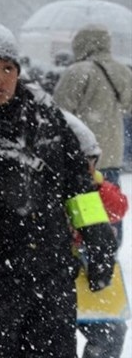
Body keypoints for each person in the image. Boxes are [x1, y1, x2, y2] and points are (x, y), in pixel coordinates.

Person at [0, 22, 118, 358]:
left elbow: (79, 186)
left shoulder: (49, 118)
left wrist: (97, 233)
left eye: (7, 68)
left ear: (19, 71)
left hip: (51, 271)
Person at [53, 24, 132, 245]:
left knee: (84, 216)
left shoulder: (78, 72)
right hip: (113, 155)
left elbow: (59, 113)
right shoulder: (122, 71)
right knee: (111, 209)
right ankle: (111, 254)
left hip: (84, 157)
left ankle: (87, 259)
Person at [62, 111, 128, 358]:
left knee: (109, 330)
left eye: (90, 163)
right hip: (65, 268)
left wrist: (97, 186)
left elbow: (118, 207)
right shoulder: (51, 190)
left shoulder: (99, 186)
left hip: (94, 266)